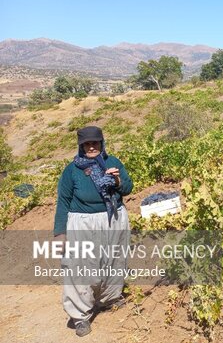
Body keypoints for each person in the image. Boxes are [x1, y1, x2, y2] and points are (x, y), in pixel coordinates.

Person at [53, 125, 133, 337]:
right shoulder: (72, 170)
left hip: (114, 218)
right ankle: (80, 316)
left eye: (95, 143)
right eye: (86, 144)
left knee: (114, 260)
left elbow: (127, 188)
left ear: (102, 143)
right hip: (83, 222)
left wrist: (116, 180)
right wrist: (60, 233)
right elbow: (63, 201)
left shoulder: (113, 162)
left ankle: (109, 299)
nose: (91, 147)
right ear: (81, 146)